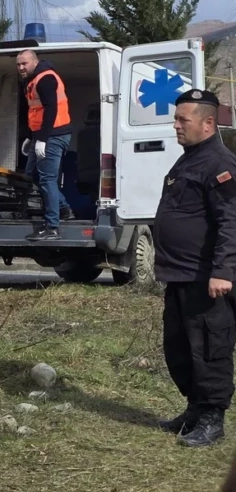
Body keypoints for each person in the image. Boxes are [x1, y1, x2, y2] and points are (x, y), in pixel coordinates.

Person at [153, 89, 236, 448]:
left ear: (207, 123)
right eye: (176, 119)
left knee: (209, 348)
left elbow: (231, 221)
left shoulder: (220, 163)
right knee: (180, 347)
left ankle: (212, 419)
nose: (175, 126)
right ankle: (194, 409)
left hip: (206, 278)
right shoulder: (189, 160)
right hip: (180, 274)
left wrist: (224, 271)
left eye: (182, 120)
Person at [17, 49, 75, 241]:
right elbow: (34, 111)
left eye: (24, 63)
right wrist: (30, 136)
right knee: (30, 175)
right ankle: (63, 208)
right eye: (18, 64)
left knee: (47, 179)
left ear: (34, 62)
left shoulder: (45, 79)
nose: (21, 67)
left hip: (53, 135)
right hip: (42, 135)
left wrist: (42, 138)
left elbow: (52, 109)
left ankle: (52, 228)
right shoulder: (31, 81)